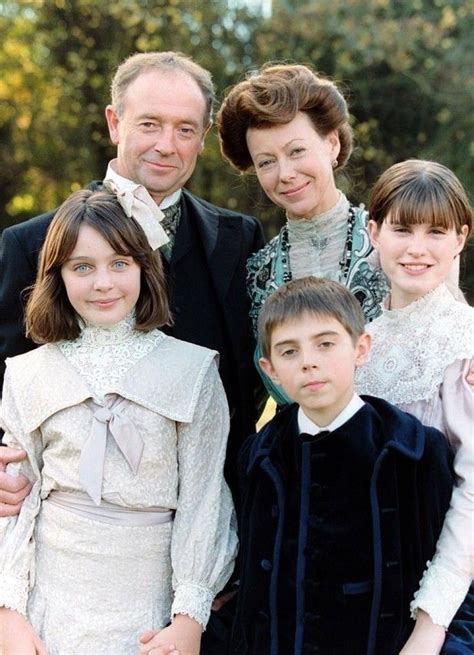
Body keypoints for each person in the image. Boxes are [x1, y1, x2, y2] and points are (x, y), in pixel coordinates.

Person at [0, 50, 265, 516]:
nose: (167, 144)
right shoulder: (31, 244)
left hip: (211, 516)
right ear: (114, 123)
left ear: (202, 138)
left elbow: (249, 384)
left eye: (185, 129)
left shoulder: (238, 239)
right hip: (71, 525)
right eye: (149, 124)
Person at [0, 189, 237, 655]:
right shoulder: (29, 374)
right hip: (50, 605)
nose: (103, 283)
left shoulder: (191, 371)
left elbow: (204, 498)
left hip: (147, 607)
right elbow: (16, 505)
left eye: (119, 263)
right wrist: (9, 613)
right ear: (59, 277)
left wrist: (188, 618)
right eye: (82, 267)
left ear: (144, 270)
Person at [231, 276, 471, 654]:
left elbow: (452, 576)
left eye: (325, 344)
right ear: (270, 368)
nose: (309, 362)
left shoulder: (414, 453)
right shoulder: (259, 456)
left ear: (362, 348)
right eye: (289, 351)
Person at [216, 63, 390, 403]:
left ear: (332, 145)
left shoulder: (392, 243)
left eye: (296, 151)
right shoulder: (256, 271)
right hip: (295, 452)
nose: (285, 174)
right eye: (266, 162)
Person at [356, 159, 473, 654]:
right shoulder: (358, 340)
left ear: (460, 238)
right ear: (375, 230)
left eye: (436, 232)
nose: (417, 248)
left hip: (449, 588)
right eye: (402, 229)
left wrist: (432, 620)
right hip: (366, 579)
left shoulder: (464, 340)